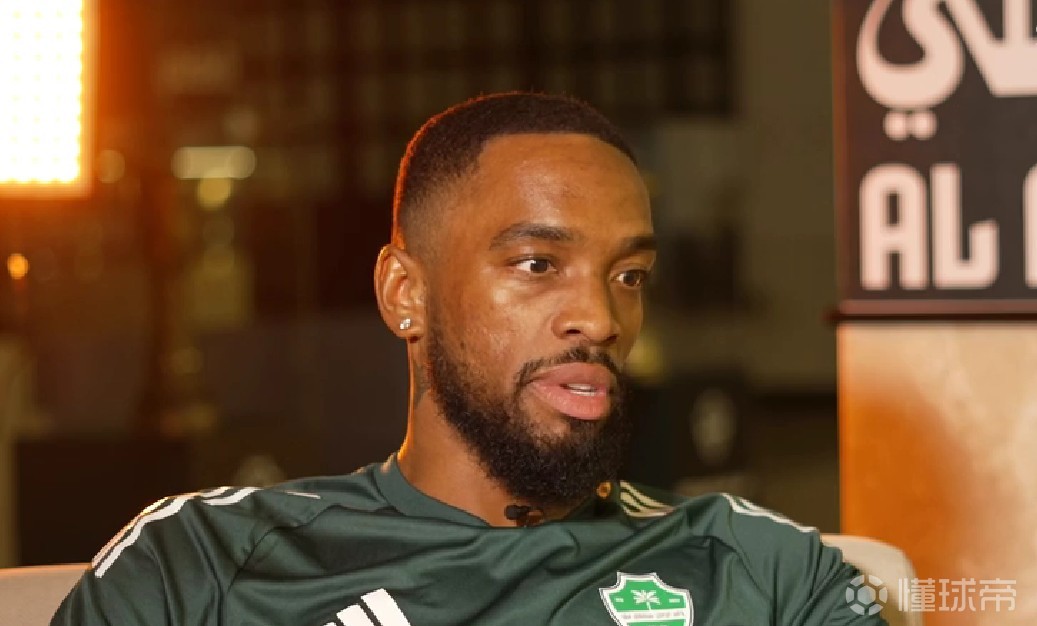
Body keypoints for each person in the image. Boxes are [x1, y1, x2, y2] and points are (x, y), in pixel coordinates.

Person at [53, 92, 885, 626]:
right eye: (537, 264)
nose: (599, 318)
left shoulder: (765, 574)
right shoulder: (201, 565)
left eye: (628, 276)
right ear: (404, 293)